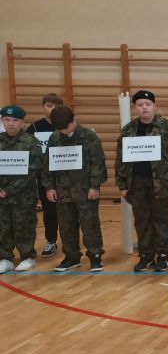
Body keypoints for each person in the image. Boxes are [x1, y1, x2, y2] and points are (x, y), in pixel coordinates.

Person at [115, 90, 168, 272]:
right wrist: (122, 184)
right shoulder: (128, 130)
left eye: (147, 104)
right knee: (142, 219)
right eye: (140, 105)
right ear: (135, 107)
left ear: (154, 106)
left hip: (162, 183)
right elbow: (120, 158)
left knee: (163, 219)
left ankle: (163, 254)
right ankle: (146, 254)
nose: (144, 108)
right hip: (137, 183)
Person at [42, 106, 107, 272]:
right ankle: (72, 257)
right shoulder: (54, 137)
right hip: (62, 190)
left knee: (90, 224)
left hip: (85, 190)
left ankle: (95, 256)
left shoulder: (89, 136)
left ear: (74, 120)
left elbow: (98, 163)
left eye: (66, 127)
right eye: (60, 129)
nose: (63, 131)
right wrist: (49, 187)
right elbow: (48, 163)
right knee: (65, 225)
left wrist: (95, 186)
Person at [0, 105, 42, 273]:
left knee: (24, 225)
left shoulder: (30, 141)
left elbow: (33, 169)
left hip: (24, 195)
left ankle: (27, 256)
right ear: (2, 120)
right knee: (3, 226)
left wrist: (9, 189)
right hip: (1, 194)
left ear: (22, 122)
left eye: (15, 120)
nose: (11, 123)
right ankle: (6, 257)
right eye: (7, 120)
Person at [27, 93, 64, 258]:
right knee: (49, 211)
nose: (52, 109)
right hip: (44, 177)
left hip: (65, 175)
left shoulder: (66, 124)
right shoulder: (35, 127)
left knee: (69, 211)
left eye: (56, 106)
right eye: (49, 106)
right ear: (43, 107)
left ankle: (71, 242)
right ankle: (51, 241)